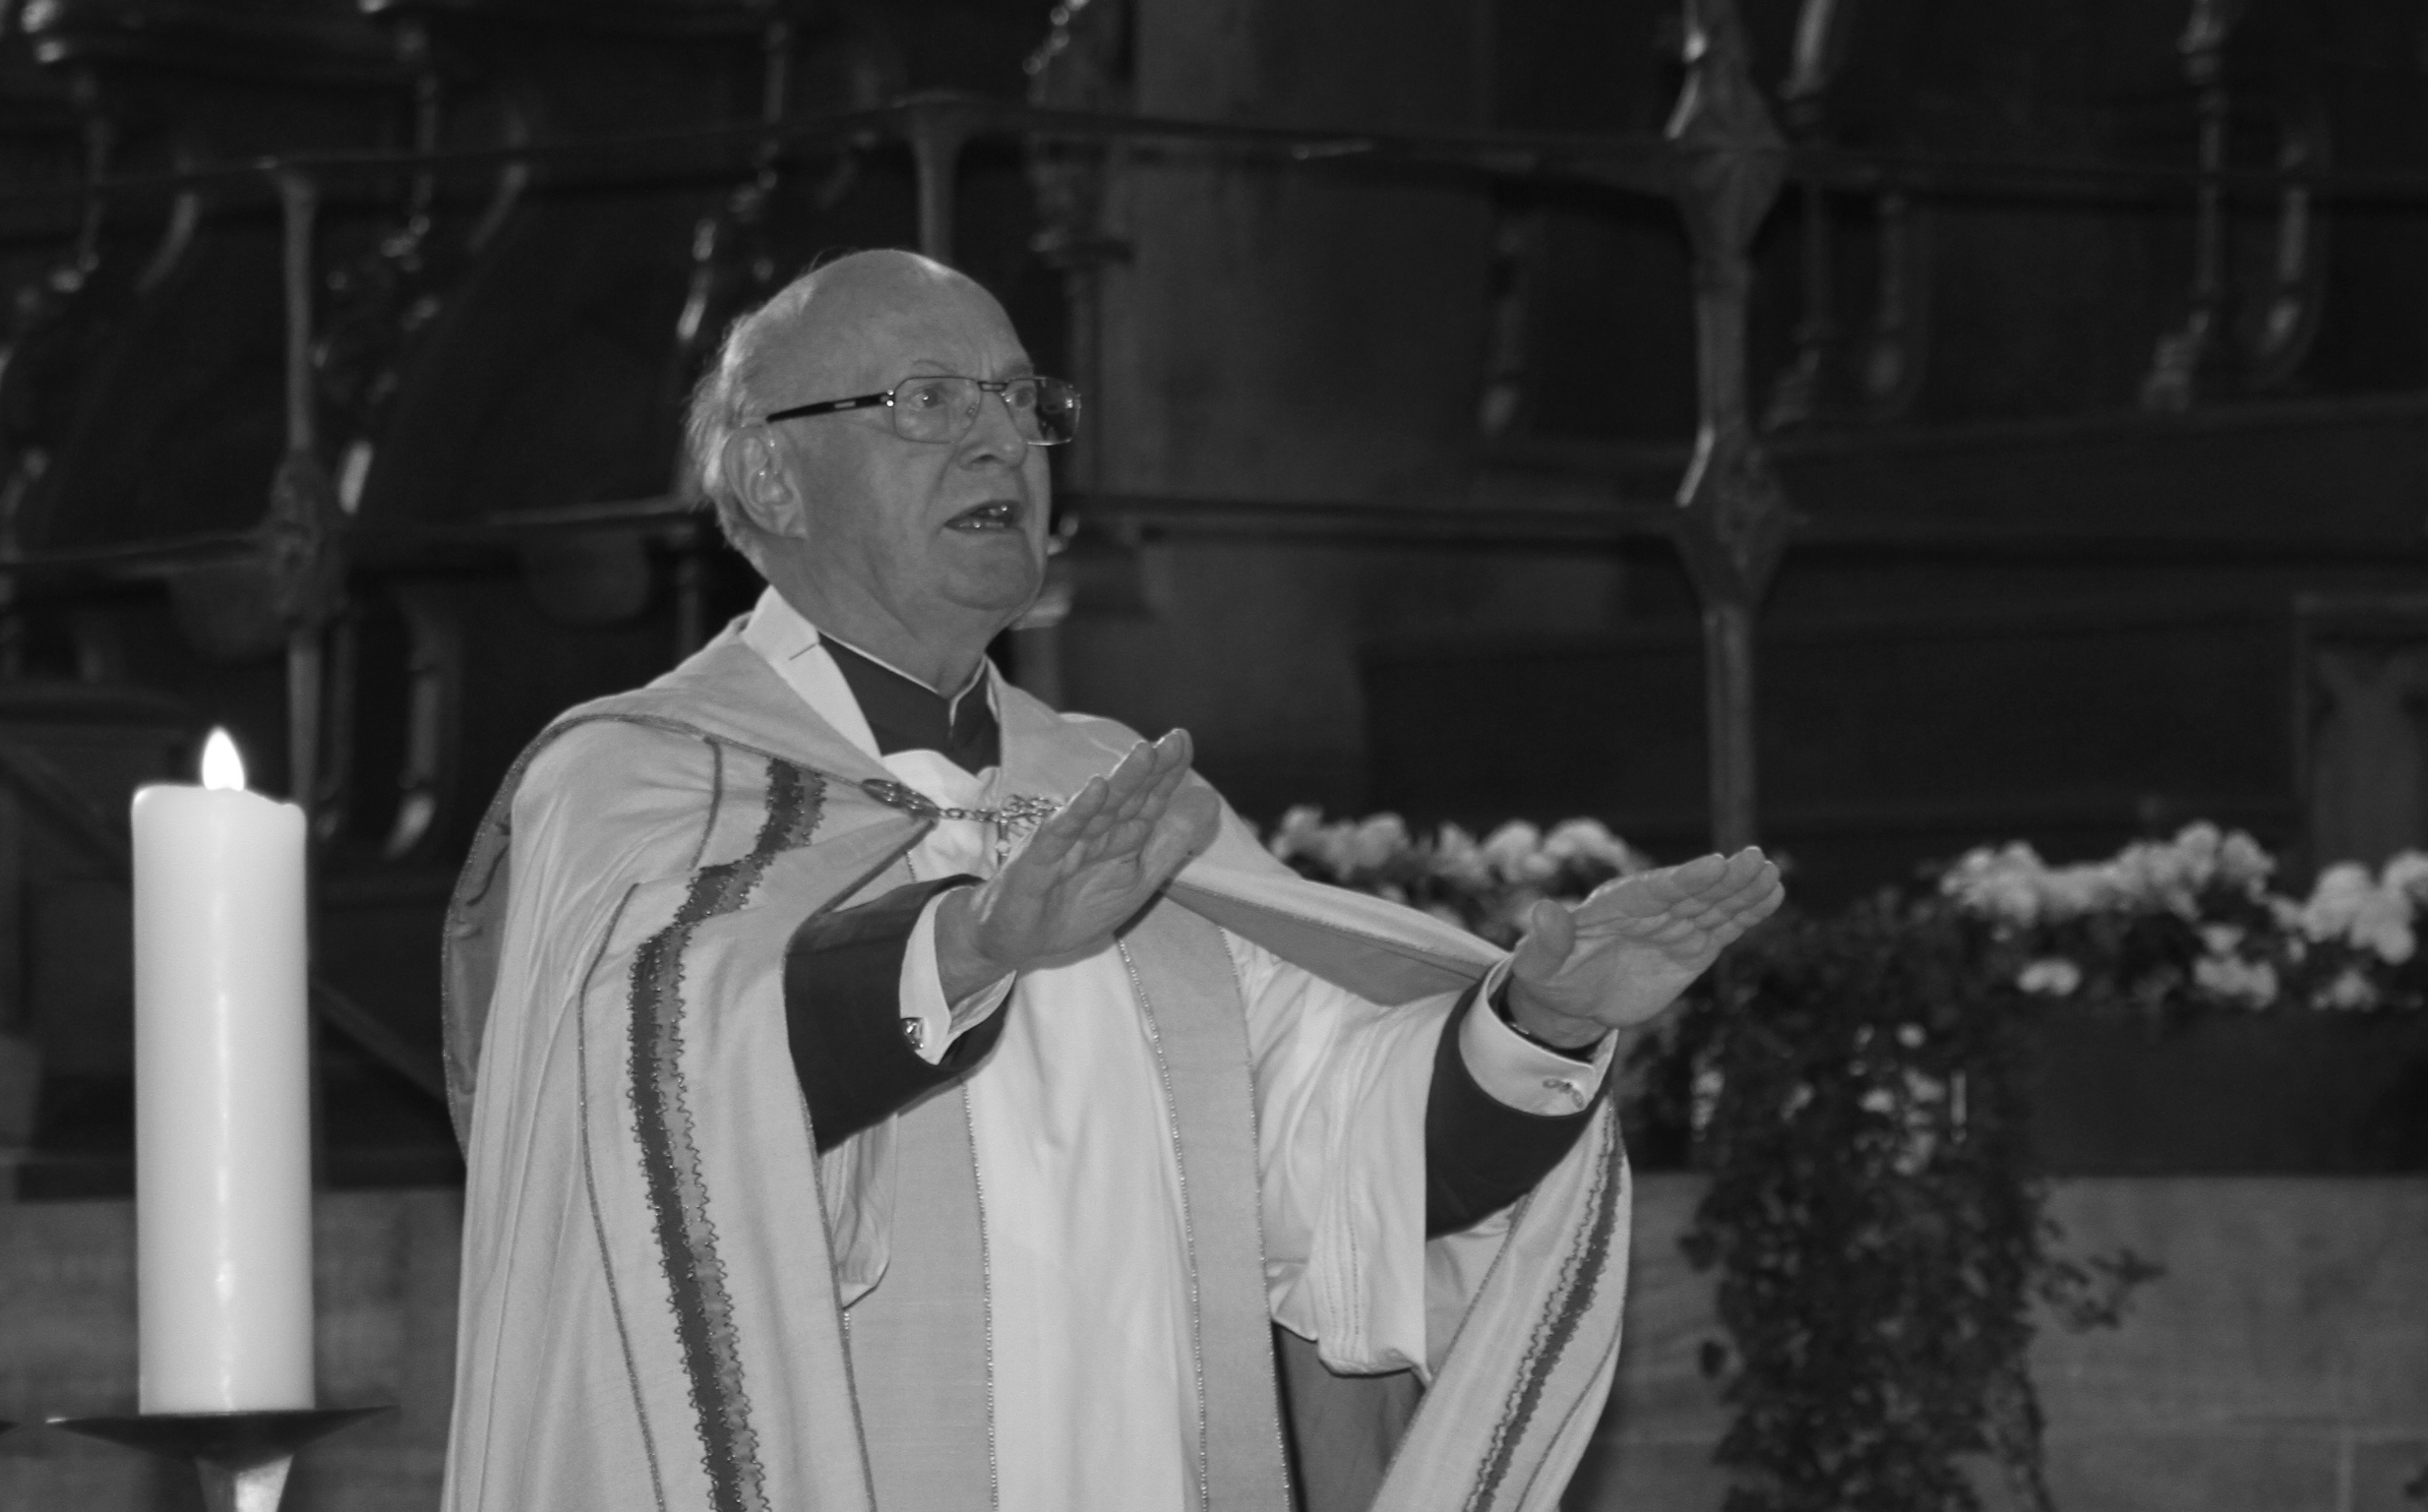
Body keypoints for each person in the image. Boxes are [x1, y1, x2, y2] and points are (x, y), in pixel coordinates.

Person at [438, 249, 1781, 1512]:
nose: (999, 439)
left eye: (1022, 400)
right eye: (926, 399)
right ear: (771, 480)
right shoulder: (631, 782)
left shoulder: (1118, 791)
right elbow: (643, 1096)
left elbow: (1337, 1160)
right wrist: (960, 949)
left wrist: (1538, 1024)